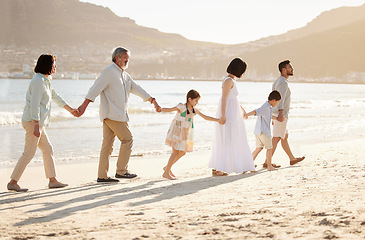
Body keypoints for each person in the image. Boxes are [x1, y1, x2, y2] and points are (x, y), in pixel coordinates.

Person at [78, 47, 161, 183]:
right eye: (124, 57)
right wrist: (83, 106)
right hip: (112, 114)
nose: (127, 60)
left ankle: (102, 176)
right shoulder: (109, 72)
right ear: (116, 57)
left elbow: (137, 88)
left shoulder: (124, 75)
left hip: (117, 115)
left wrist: (152, 100)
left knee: (107, 146)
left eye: (128, 57)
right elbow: (94, 89)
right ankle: (121, 171)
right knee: (127, 139)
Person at [7, 54, 79, 192]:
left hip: (38, 122)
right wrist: (35, 125)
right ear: (48, 65)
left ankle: (52, 180)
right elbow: (34, 104)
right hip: (32, 122)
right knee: (29, 153)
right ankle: (13, 182)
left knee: (47, 149)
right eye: (54, 64)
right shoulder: (38, 81)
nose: (55, 67)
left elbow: (55, 97)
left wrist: (71, 110)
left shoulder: (45, 80)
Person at [209, 58, 256, 176]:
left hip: (234, 113)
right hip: (228, 114)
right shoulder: (228, 81)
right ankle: (218, 168)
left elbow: (233, 98)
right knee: (227, 138)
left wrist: (242, 110)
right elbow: (224, 98)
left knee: (235, 138)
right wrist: (223, 115)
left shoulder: (232, 81)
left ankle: (238, 165)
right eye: (243, 70)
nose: (244, 73)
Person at [161, 89, 219, 180]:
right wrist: (159, 109)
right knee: (175, 152)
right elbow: (169, 109)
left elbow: (205, 117)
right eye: (196, 101)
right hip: (177, 131)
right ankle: (166, 172)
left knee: (182, 152)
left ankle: (167, 167)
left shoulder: (194, 110)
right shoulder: (181, 107)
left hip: (184, 134)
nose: (197, 103)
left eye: (198, 101)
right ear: (189, 99)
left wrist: (218, 120)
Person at [264, 60, 305, 168]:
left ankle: (292, 159)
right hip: (280, 114)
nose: (292, 69)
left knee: (284, 136)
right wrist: (281, 113)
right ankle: (266, 162)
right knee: (276, 138)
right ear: (284, 69)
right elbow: (279, 99)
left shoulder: (278, 81)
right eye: (290, 67)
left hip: (277, 113)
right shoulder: (283, 82)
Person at [245, 90, 281, 171]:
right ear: (273, 100)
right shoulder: (265, 107)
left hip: (258, 131)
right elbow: (256, 111)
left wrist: (276, 119)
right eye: (278, 102)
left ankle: (248, 165)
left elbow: (268, 115)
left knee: (259, 148)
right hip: (263, 132)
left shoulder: (267, 107)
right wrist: (246, 114)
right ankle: (269, 166)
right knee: (269, 148)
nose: (277, 104)